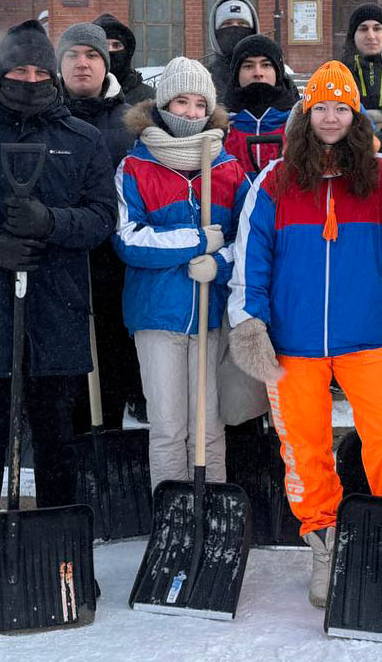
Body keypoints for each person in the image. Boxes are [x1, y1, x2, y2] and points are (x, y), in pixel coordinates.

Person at [227, 60, 382, 608]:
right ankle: (325, 543)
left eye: (341, 107)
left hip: (368, 336)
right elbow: (250, 259)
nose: (331, 117)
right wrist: (250, 319)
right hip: (294, 341)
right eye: (321, 107)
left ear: (356, 115)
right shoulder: (275, 180)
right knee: (304, 449)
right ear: (307, 114)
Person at [0, 19, 118, 514]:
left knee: (57, 444)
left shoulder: (82, 139)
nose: (29, 79)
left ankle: (59, 551)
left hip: (57, 313)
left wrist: (50, 222)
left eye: (38, 70)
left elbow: (102, 218)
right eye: (18, 69)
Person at [113, 57, 250, 490]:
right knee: (169, 426)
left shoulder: (228, 170)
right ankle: (171, 517)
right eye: (180, 101)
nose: (190, 113)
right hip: (158, 316)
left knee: (208, 425)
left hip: (211, 320)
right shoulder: (135, 167)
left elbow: (249, 240)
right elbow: (129, 240)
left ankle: (211, 511)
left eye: (199, 104)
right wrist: (194, 241)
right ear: (162, 104)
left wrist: (221, 262)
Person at [56, 22, 143, 431]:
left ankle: (105, 446)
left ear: (106, 65)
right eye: (73, 55)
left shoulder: (130, 124)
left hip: (114, 270)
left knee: (109, 372)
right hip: (58, 269)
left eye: (92, 56)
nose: (82, 64)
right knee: (61, 387)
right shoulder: (43, 118)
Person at [222, 34, 297, 174]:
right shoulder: (220, 129)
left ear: (278, 71)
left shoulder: (298, 125)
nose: (258, 73)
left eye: (266, 65)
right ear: (236, 74)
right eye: (248, 66)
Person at [340, 2, 382, 154]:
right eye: (363, 29)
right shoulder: (338, 73)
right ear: (353, 35)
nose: (371, 35)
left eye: (377, 28)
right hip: (351, 154)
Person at [205, 0, 259, 99]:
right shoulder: (205, 79)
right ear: (215, 32)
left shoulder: (272, 75)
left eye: (242, 23)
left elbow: (299, 111)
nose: (235, 29)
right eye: (227, 24)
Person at [93, 12, 154, 104]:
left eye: (116, 45)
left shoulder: (147, 98)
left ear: (127, 52)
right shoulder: (76, 94)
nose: (110, 52)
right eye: (104, 46)